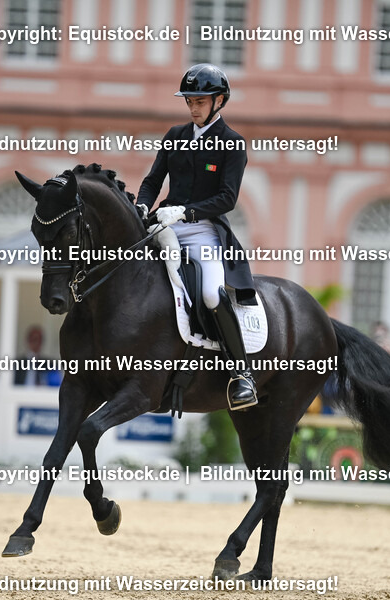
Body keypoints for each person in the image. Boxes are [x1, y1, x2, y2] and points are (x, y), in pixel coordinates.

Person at [135, 63, 258, 411]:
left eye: (200, 101)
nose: (193, 107)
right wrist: (144, 207)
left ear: (219, 101)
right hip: (164, 224)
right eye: (189, 100)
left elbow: (227, 198)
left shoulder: (232, 143)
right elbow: (152, 181)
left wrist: (187, 212)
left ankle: (241, 373)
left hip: (203, 229)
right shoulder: (175, 134)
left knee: (210, 293)